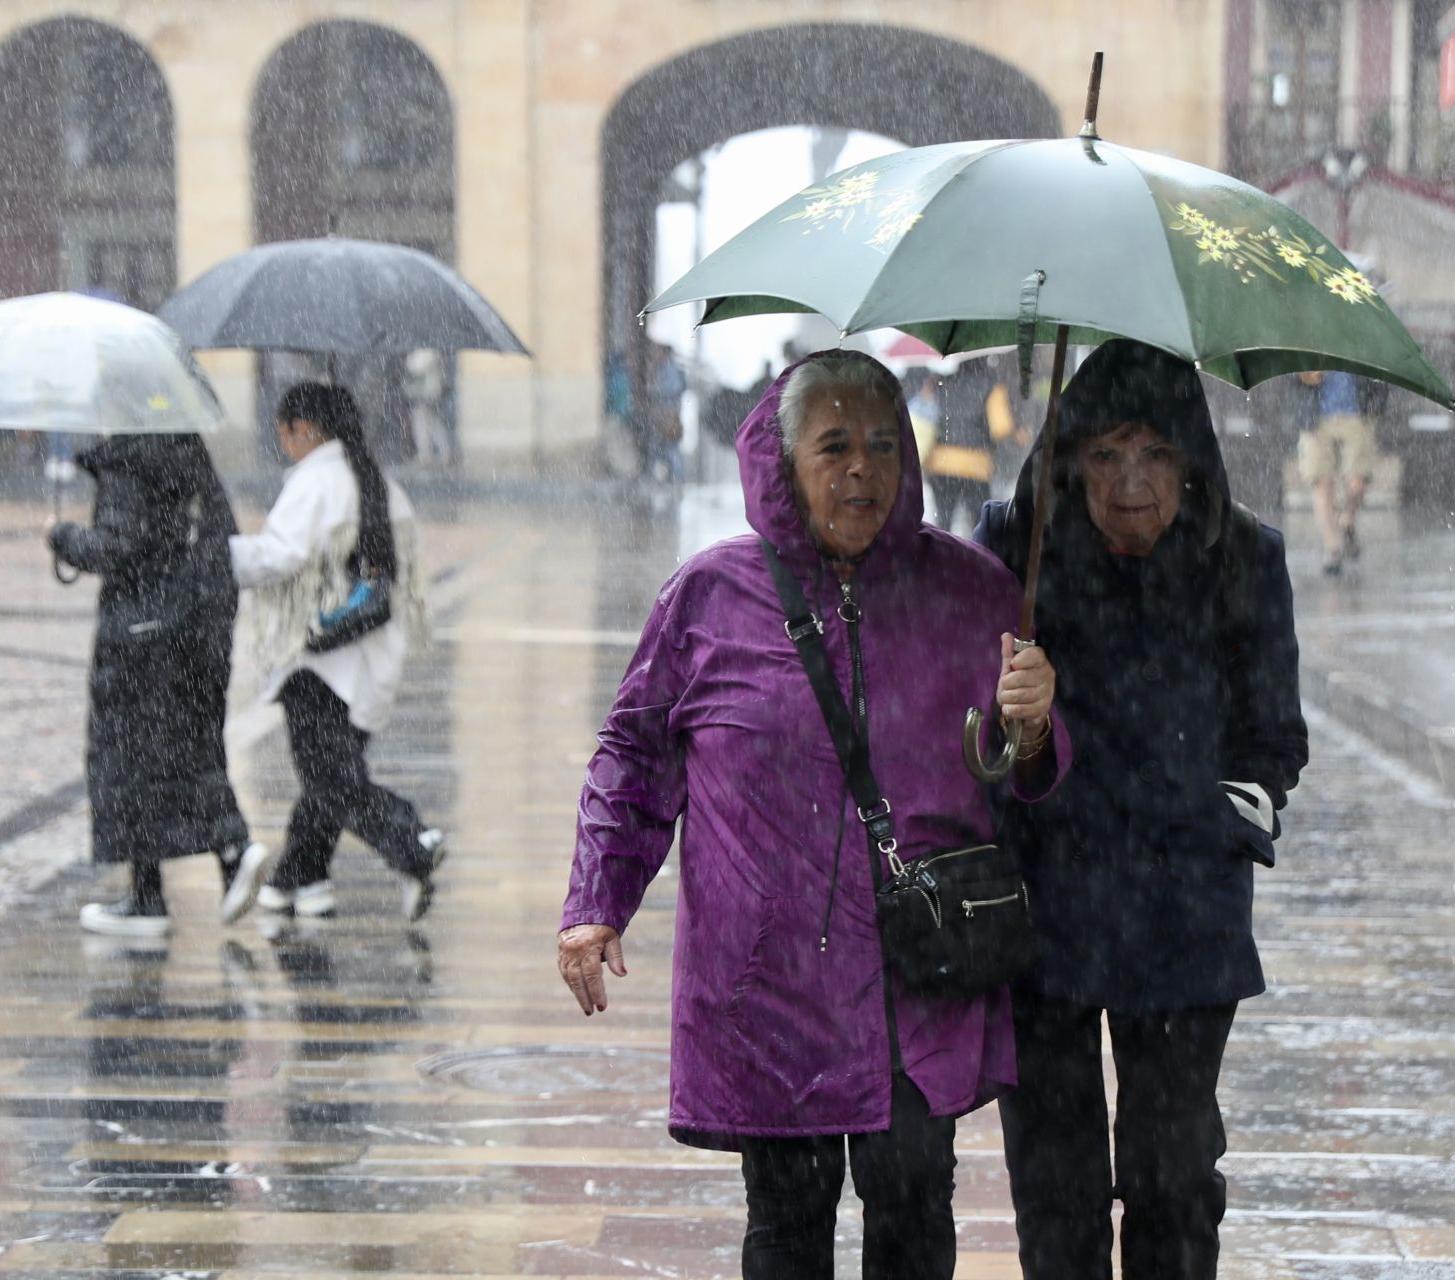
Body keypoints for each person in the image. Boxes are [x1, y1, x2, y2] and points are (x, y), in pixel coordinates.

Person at [559, 350, 1070, 1280]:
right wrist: (597, 901)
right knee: (787, 1226)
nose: (862, 469)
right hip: (771, 980)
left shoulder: (974, 592)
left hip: (918, 970)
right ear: (781, 461)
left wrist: (1032, 728)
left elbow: (1021, 782)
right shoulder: (708, 598)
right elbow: (634, 754)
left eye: (882, 443)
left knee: (915, 1209)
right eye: (833, 446)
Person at [976, 340, 1309, 1280]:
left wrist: (1220, 821)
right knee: (1058, 1187)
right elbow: (960, 737)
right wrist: (1015, 721)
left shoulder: (1244, 558)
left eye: (1156, 456)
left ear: (1191, 463)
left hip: (1183, 915)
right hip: (1045, 912)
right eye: (1108, 455)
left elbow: (1275, 741)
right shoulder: (1014, 549)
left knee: (1173, 1183)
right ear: (1069, 455)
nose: (1131, 486)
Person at [230, 383, 445, 922]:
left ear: (305, 429)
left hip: (318, 661)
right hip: (372, 659)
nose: (283, 444)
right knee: (329, 777)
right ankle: (300, 881)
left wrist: (218, 553)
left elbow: (277, 558)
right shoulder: (382, 485)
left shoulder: (316, 483)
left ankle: (411, 839)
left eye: (285, 433)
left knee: (332, 781)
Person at [48, 433, 272, 938]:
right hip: (194, 628)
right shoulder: (185, 451)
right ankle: (184, 876)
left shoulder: (129, 460)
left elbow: (117, 547)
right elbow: (220, 542)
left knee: (130, 758)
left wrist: (61, 536)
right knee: (183, 747)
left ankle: (188, 876)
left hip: (140, 635)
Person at [1297, 369, 1377, 574]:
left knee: (1357, 482)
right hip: (1315, 416)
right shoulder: (1306, 339)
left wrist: (1374, 404)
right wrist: (1301, 375)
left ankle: (1346, 519)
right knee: (1321, 482)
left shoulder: (1361, 338)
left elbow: (1378, 372)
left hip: (1357, 414)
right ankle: (1332, 548)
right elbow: (1285, 374)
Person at [924, 355, 1001, 532]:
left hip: (941, 462)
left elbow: (928, 416)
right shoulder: (991, 385)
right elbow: (1000, 427)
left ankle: (942, 557)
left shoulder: (942, 383)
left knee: (943, 524)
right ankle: (974, 557)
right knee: (979, 526)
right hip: (975, 465)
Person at [400, 348, 453, 467]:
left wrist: (408, 359)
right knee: (431, 422)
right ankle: (441, 453)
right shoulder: (432, 348)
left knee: (423, 421)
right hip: (426, 391)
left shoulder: (430, 349)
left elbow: (416, 366)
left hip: (428, 392)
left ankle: (428, 454)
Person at [645, 344, 687, 484]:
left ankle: (676, 479)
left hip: (667, 416)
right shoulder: (663, 368)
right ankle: (660, 477)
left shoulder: (669, 369)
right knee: (658, 447)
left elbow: (669, 391)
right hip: (663, 417)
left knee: (669, 449)